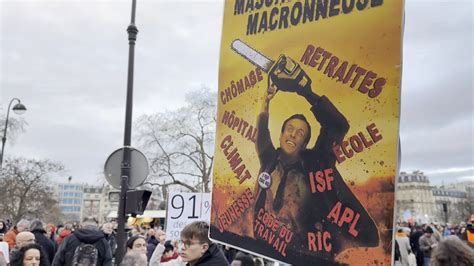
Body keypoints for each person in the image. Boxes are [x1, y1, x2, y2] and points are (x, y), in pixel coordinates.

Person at [252, 58, 379, 263]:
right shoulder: (269, 159)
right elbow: (262, 133)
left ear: (305, 143)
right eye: (290, 129)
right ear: (281, 134)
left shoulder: (316, 162)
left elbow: (337, 125)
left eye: (300, 133)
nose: (293, 135)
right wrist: (266, 101)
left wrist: (304, 91)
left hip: (311, 255)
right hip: (274, 251)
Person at [150, 221, 228, 266]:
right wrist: (161, 244)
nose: (183, 247)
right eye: (182, 242)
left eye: (189, 244)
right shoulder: (192, 259)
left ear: (204, 247)